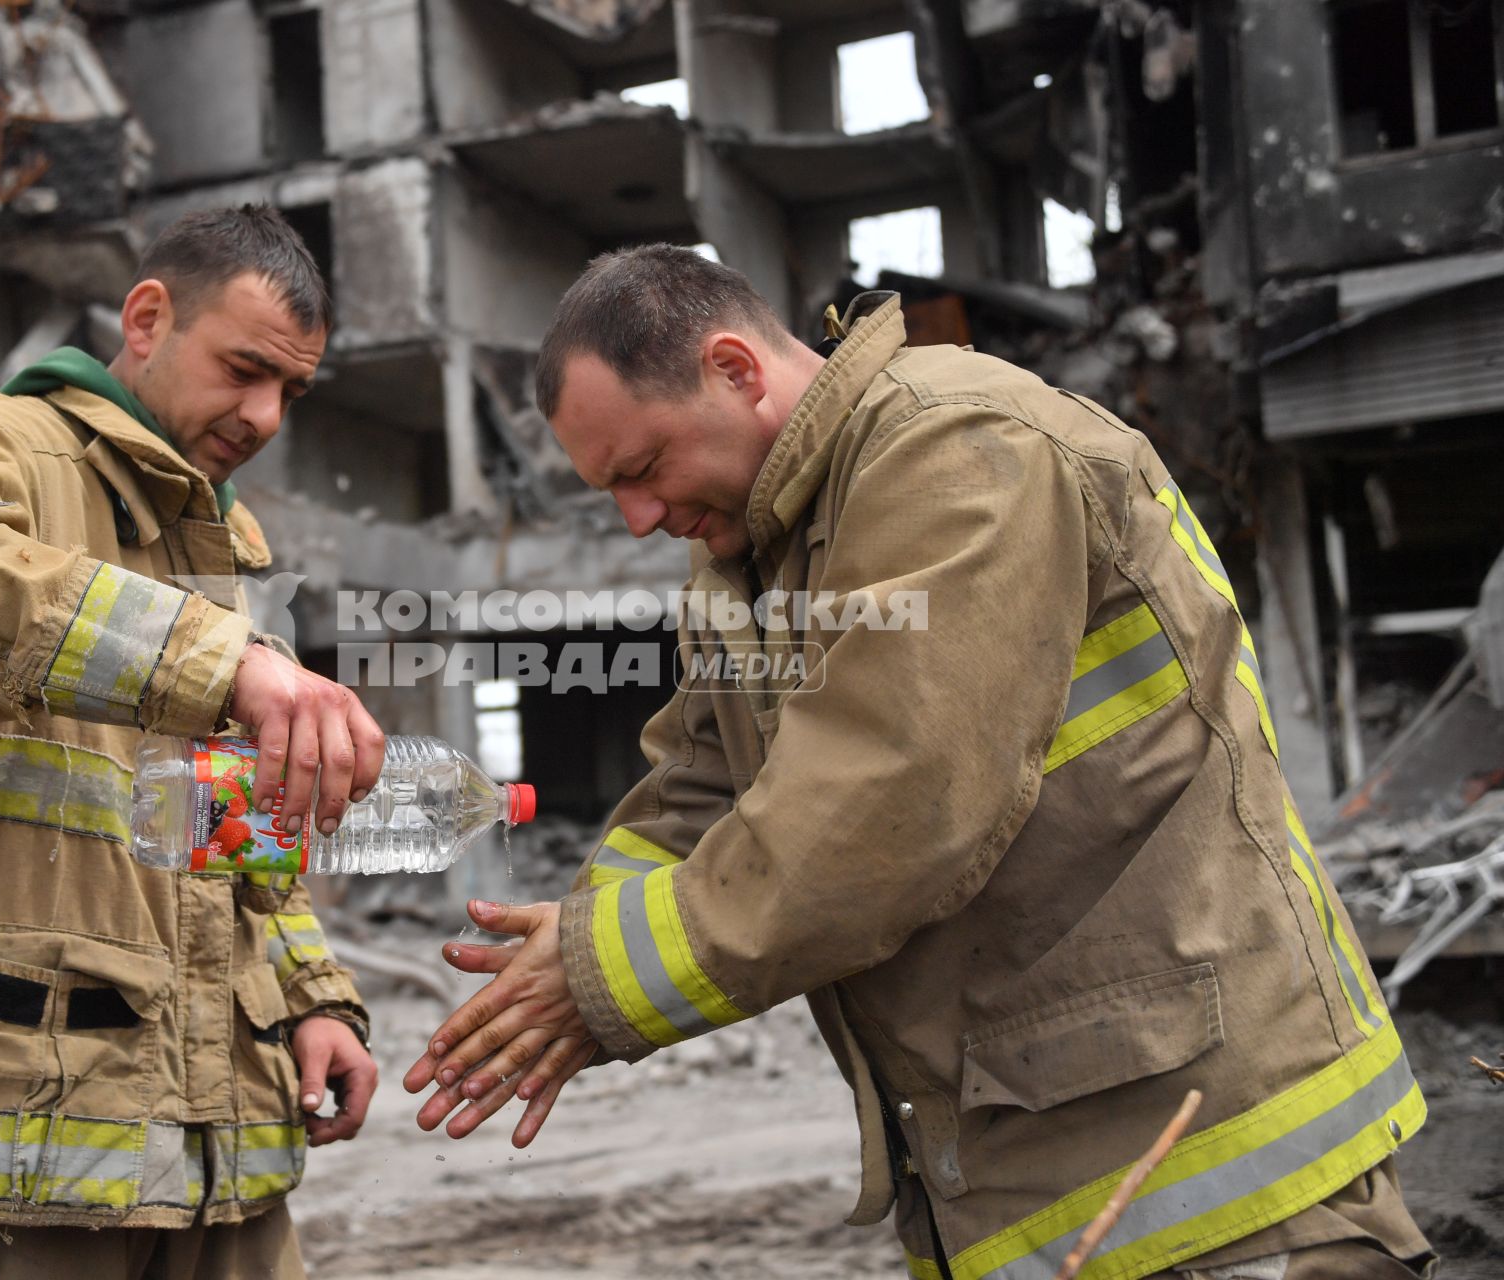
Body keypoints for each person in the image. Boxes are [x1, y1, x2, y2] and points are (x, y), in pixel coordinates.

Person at [405, 246, 1436, 1280]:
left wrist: (597, 977)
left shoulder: (957, 448)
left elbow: (892, 801)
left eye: (640, 469)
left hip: (1219, 1169)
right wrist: (571, 955)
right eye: (608, 490)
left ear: (735, 368)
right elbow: (702, 787)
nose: (636, 516)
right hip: (1035, 1156)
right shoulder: (755, 550)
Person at [0, 206, 383, 1279]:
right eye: (245, 368)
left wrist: (310, 995)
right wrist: (221, 657)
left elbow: (238, 824)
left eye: (291, 389)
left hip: (221, 1157)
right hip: (21, 1164)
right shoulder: (2, 448)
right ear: (147, 318)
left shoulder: (227, 541)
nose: (264, 416)